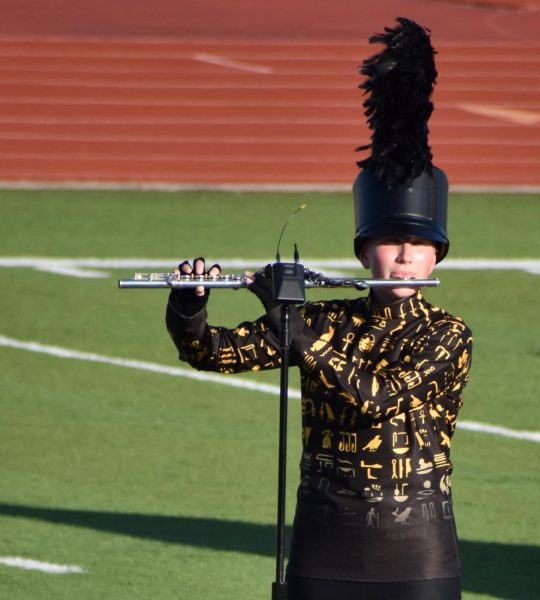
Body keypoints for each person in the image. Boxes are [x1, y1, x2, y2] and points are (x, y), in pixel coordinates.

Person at [164, 18, 473, 600]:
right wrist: (190, 307)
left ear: (437, 258)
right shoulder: (325, 321)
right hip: (323, 547)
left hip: (418, 552)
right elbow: (212, 354)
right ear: (363, 252)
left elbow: (377, 400)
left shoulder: (448, 335)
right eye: (391, 243)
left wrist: (292, 324)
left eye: (420, 246)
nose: (405, 257)